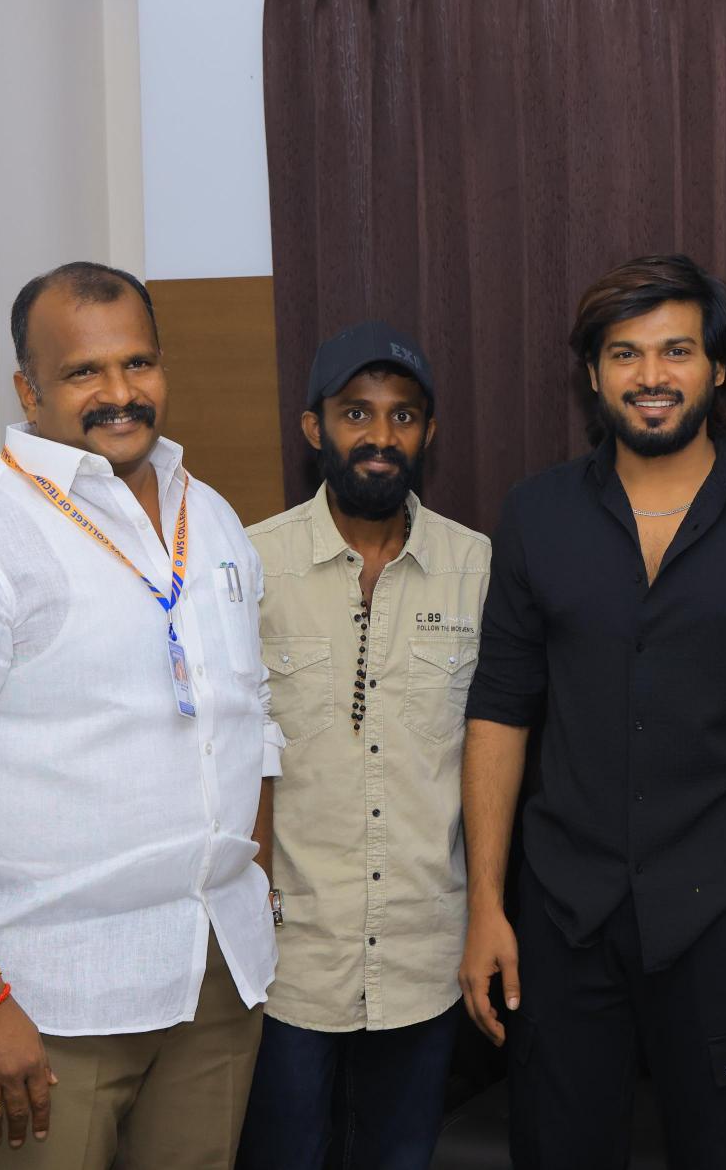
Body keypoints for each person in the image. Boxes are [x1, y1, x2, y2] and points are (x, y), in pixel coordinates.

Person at [0, 262, 283, 1169]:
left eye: (139, 363)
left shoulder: (207, 515)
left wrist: (261, 893)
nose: (120, 393)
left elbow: (252, 717)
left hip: (216, 976)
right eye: (85, 371)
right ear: (29, 389)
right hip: (52, 1001)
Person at [459, 254, 726, 1170]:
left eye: (676, 350)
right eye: (624, 353)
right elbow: (498, 717)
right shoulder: (536, 516)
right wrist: (484, 906)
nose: (650, 375)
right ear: (593, 376)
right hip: (563, 911)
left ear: (718, 369)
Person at [236, 322, 490, 1170]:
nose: (381, 436)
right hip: (288, 961)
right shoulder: (249, 566)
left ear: (429, 432)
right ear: (315, 427)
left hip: (425, 954)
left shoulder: (479, 568)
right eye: (356, 413)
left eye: (403, 416)